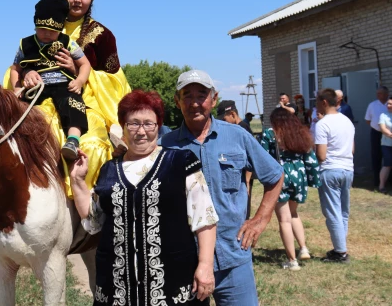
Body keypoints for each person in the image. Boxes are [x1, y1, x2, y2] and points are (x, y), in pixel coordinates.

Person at [71, 90, 219, 304]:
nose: (141, 131)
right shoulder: (109, 170)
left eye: (148, 124)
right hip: (118, 291)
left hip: (173, 287)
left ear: (158, 127)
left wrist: (205, 265)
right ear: (123, 127)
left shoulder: (181, 162)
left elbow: (204, 219)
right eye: (133, 124)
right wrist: (77, 181)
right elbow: (94, 223)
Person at [4, 0, 130, 196]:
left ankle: (89, 205)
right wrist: (27, 76)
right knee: (34, 134)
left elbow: (115, 82)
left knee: (91, 143)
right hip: (39, 97)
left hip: (87, 101)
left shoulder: (103, 36)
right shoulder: (42, 31)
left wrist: (80, 73)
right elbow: (16, 67)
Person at [160, 70, 284, 306]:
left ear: (214, 99)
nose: (195, 103)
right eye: (187, 95)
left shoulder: (237, 136)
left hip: (234, 258)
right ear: (177, 101)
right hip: (184, 263)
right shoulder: (164, 146)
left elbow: (275, 175)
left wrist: (260, 219)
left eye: (202, 95)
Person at [10, 0, 91, 160]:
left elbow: (85, 64)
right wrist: (17, 87)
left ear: (60, 28)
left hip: (63, 83)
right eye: (42, 29)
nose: (46, 34)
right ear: (35, 26)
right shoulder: (25, 44)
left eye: (52, 31)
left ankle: (73, 140)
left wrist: (79, 81)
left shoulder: (68, 42)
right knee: (20, 107)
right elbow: (15, 69)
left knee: (73, 103)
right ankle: (17, 141)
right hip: (36, 86)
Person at [260, 108, 321, 271]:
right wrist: (313, 179)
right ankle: (303, 248)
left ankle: (292, 260)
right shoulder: (300, 133)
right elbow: (311, 158)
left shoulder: (270, 134)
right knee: (294, 214)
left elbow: (263, 156)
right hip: (299, 175)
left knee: (284, 219)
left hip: (280, 176)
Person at [315, 88, 355, 263]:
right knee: (343, 211)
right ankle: (341, 247)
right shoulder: (347, 121)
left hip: (330, 169)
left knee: (332, 212)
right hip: (347, 168)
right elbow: (352, 149)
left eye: (317, 102)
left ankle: (340, 251)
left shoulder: (323, 124)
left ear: (324, 102)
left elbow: (321, 155)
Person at [365, 86, 388, 190]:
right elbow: (368, 120)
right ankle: (376, 180)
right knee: (376, 155)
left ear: (386, 94)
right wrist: (376, 127)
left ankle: (388, 179)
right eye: (377, 93)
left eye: (381, 93)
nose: (378, 95)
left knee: (388, 155)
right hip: (376, 133)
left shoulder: (390, 103)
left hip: (389, 134)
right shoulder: (372, 105)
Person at [377, 97, 392, 193]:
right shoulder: (383, 115)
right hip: (387, 144)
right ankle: (381, 186)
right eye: (388, 104)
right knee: (387, 165)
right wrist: (391, 135)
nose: (388, 105)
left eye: (391, 104)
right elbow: (383, 128)